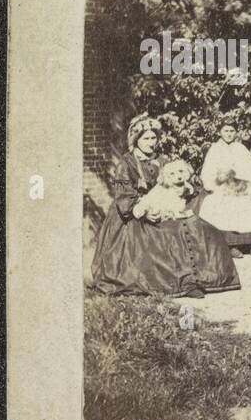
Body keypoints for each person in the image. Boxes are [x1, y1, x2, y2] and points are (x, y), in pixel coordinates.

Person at [90, 114, 241, 298]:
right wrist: (145, 213)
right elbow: (124, 197)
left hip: (166, 206)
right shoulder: (126, 163)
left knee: (203, 228)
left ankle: (205, 278)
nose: (151, 143)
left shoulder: (162, 160)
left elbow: (176, 182)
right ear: (136, 140)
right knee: (167, 235)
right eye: (146, 138)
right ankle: (184, 281)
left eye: (154, 138)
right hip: (133, 216)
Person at [198, 118, 251, 256]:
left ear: (236, 132)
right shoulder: (215, 149)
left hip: (241, 185)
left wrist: (248, 182)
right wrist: (216, 183)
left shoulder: (241, 148)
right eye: (226, 131)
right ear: (220, 132)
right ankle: (232, 244)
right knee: (227, 202)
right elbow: (208, 171)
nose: (229, 134)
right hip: (222, 186)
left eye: (232, 131)